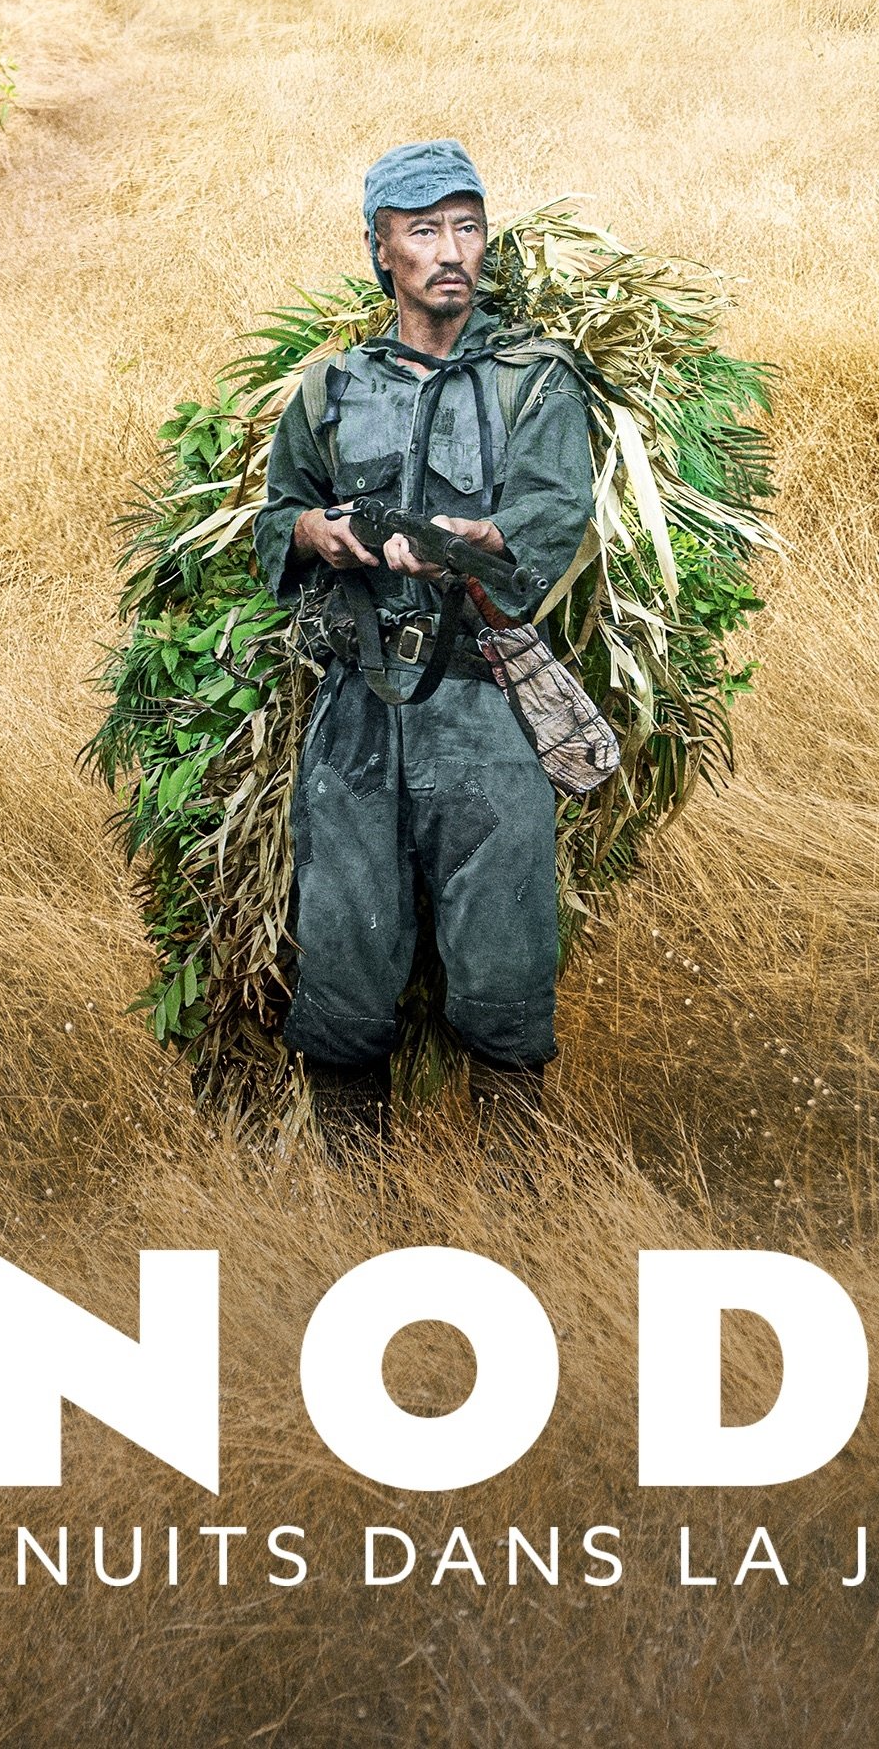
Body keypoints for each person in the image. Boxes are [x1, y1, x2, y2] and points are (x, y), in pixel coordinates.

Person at [254, 140, 595, 1157]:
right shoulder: (328, 388)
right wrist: (322, 535)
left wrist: (477, 546)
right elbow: (279, 516)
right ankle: (349, 1210)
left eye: (466, 227)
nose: (451, 252)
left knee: (502, 971)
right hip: (356, 714)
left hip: (485, 706)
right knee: (346, 975)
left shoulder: (533, 382)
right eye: (423, 230)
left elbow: (552, 515)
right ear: (382, 251)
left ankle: (518, 1211)